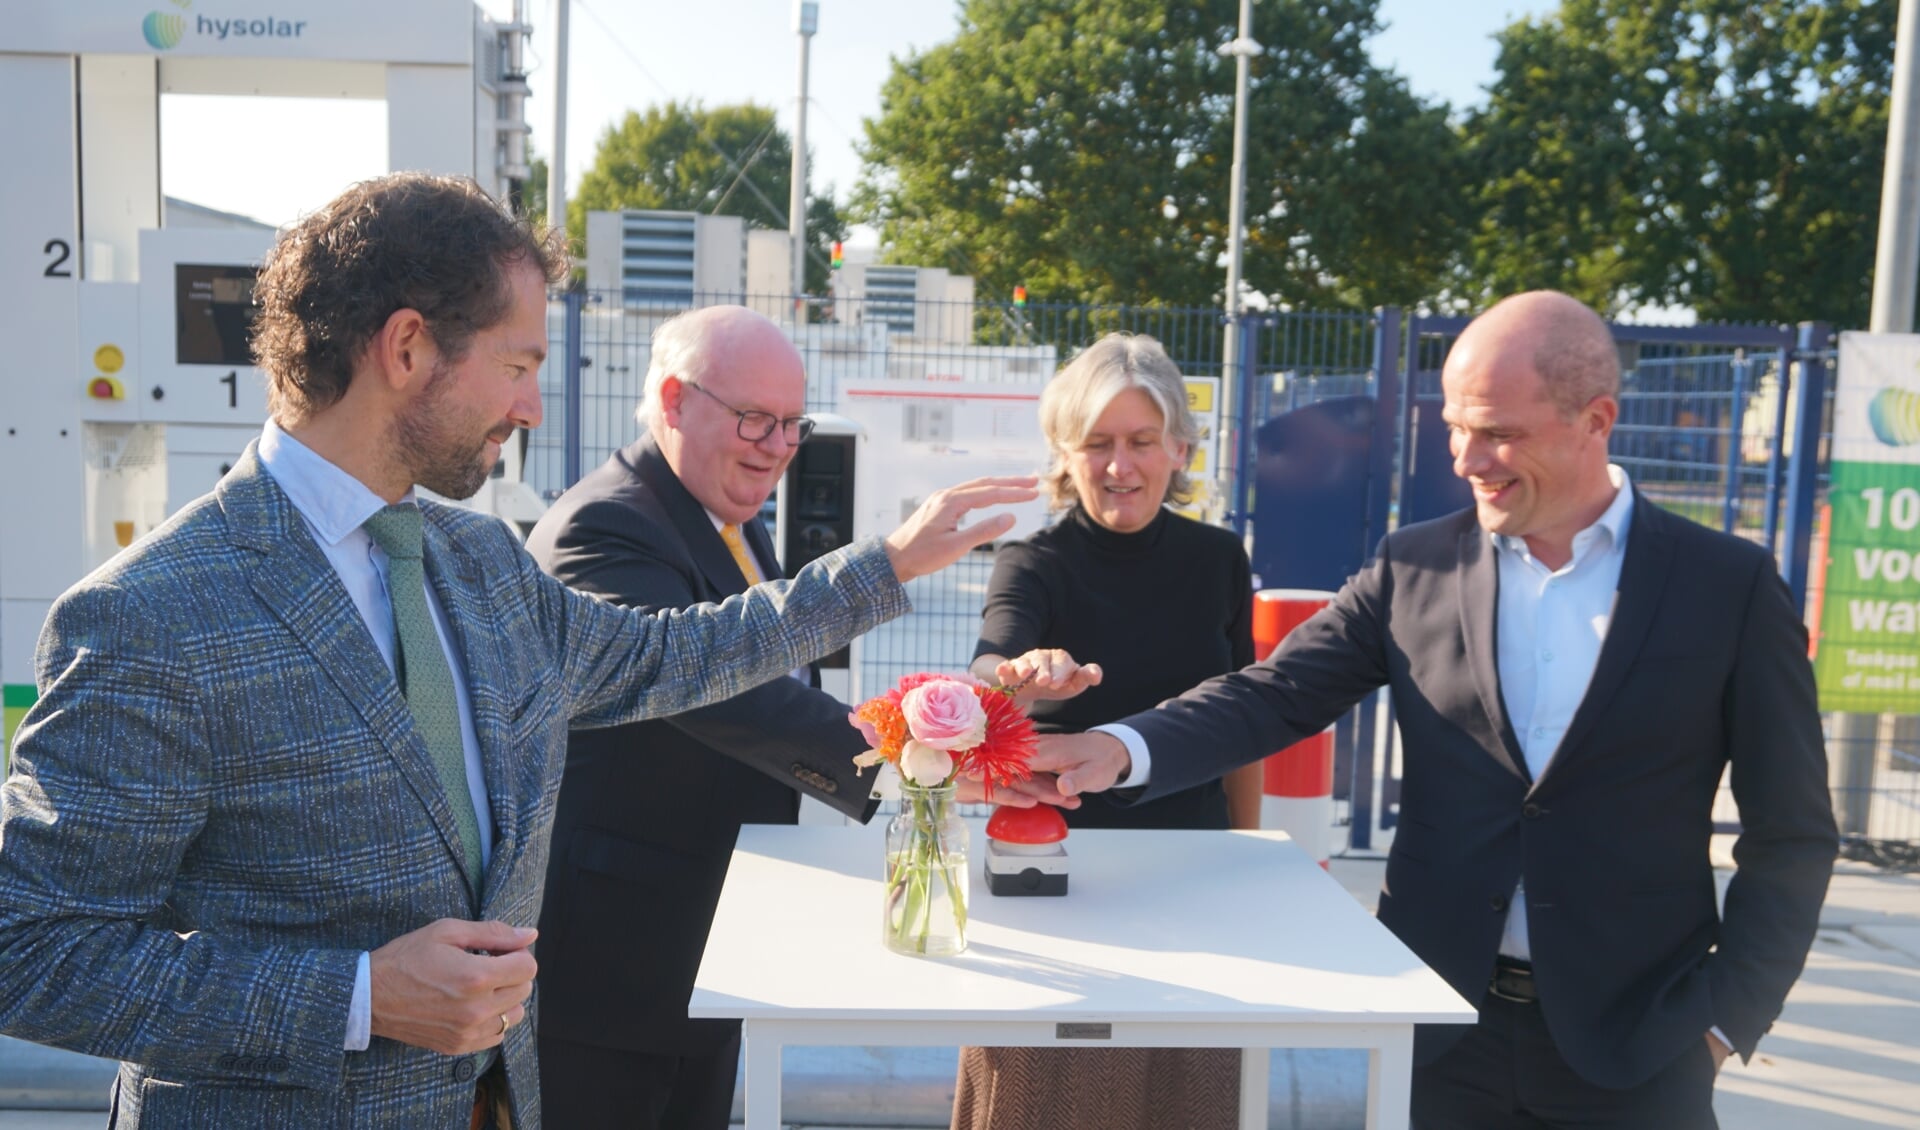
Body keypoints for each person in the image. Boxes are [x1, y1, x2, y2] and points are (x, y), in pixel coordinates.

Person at [0, 173, 1033, 1130]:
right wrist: (359, 994)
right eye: (520, 364)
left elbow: (670, 657)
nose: (534, 405)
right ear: (406, 348)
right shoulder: (154, 613)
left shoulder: (478, 558)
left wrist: (888, 563)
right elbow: (32, 948)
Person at [1030, 292, 1838, 1129]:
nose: (1466, 458)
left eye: (1498, 432)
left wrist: (1722, 1020)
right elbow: (1274, 694)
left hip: (1643, 1047)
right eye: (1454, 426)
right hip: (1439, 1035)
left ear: (1595, 419)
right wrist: (1118, 747)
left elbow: (1794, 834)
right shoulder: (1415, 567)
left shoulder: (1726, 586)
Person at [523, 305, 1087, 1128]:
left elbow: (774, 686)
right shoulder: (603, 527)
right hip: (616, 961)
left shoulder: (727, 516)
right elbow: (722, 690)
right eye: (755, 418)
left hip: (702, 935)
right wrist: (925, 764)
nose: (779, 447)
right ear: (675, 401)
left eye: (792, 424)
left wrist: (943, 739)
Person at [950, 332, 1260, 1130]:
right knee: (1045, 1102)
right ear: (1065, 450)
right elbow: (993, 660)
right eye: (1098, 444)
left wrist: (1251, 857)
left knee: (1187, 1098)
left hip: (1194, 874)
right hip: (1057, 880)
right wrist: (1022, 671)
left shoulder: (1221, 559)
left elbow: (1243, 720)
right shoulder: (1032, 561)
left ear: (1179, 449)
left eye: (1141, 442)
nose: (1120, 466)